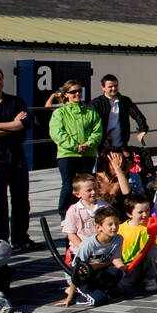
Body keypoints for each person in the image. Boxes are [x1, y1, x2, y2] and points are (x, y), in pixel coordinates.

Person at [49, 80, 103, 217]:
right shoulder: (60, 113)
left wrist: (88, 144)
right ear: (66, 94)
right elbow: (57, 133)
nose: (77, 94)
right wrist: (74, 146)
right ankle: (64, 215)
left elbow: (97, 131)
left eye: (79, 91)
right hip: (67, 154)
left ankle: (86, 212)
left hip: (87, 154)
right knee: (68, 186)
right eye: (73, 92)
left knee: (87, 186)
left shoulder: (90, 111)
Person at [0, 67, 33, 250]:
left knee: (21, 199)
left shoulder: (16, 101)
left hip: (17, 156)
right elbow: (18, 125)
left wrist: (0, 127)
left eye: (0, 79)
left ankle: (20, 238)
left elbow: (25, 123)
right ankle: (1, 240)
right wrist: (13, 124)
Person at [91, 74, 148, 151]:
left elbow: (137, 115)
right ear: (103, 88)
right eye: (110, 87)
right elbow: (91, 124)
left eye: (116, 86)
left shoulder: (125, 101)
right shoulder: (96, 103)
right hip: (102, 145)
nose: (114, 88)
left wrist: (143, 129)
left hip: (121, 144)